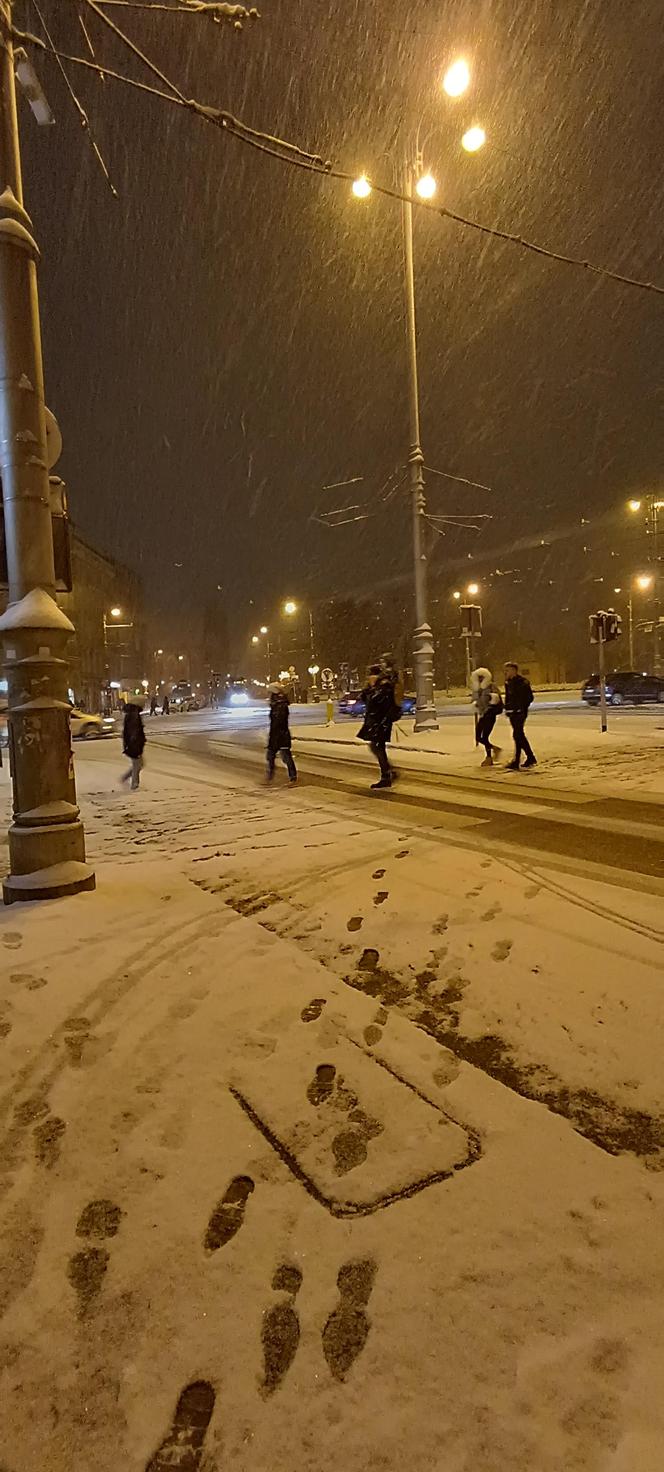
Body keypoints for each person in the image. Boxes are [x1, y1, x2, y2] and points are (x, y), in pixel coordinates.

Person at [358, 664, 399, 789]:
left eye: (371, 676)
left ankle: (386, 775)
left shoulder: (384, 688)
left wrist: (372, 690)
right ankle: (388, 772)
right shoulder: (376, 688)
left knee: (377, 747)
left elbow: (379, 704)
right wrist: (368, 689)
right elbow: (364, 699)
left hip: (381, 723)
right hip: (376, 722)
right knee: (376, 747)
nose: (369, 678)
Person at [504, 662, 536, 769]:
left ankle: (520, 759)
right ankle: (527, 758)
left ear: (514, 670)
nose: (506, 673)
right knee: (518, 735)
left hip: (520, 713)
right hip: (512, 713)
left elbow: (529, 698)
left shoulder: (522, 683)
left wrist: (520, 708)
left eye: (507, 670)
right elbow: (508, 698)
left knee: (517, 735)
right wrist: (507, 708)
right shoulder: (508, 682)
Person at [471, 667, 503, 767]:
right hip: (483, 714)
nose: (480, 680)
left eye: (482, 677)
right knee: (478, 737)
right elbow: (475, 700)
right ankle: (494, 749)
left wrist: (492, 700)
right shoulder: (477, 689)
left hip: (490, 714)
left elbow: (497, 699)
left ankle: (489, 757)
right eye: (478, 678)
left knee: (484, 736)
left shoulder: (491, 687)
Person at [266, 682, 297, 783]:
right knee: (274, 756)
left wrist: (274, 735)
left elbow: (278, 722)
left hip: (280, 735)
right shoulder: (277, 705)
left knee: (284, 756)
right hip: (278, 735)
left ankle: (291, 776)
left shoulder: (280, 705)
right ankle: (271, 776)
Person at [121, 699, 146, 790]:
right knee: (137, 764)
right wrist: (136, 742)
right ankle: (134, 784)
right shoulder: (134, 715)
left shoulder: (132, 714)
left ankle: (127, 778)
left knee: (139, 764)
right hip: (134, 744)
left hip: (133, 743)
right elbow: (134, 731)